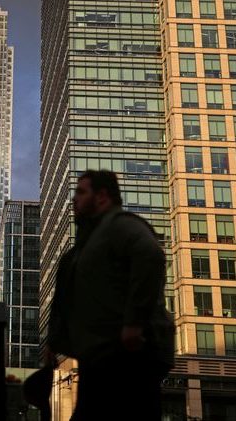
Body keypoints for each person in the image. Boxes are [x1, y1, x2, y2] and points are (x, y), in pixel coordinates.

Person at [44, 170, 174, 421]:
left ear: (102, 196)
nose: (75, 199)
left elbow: (150, 256)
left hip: (126, 358)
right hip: (100, 355)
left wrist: (133, 324)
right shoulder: (90, 240)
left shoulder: (120, 225)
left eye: (81, 192)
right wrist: (55, 340)